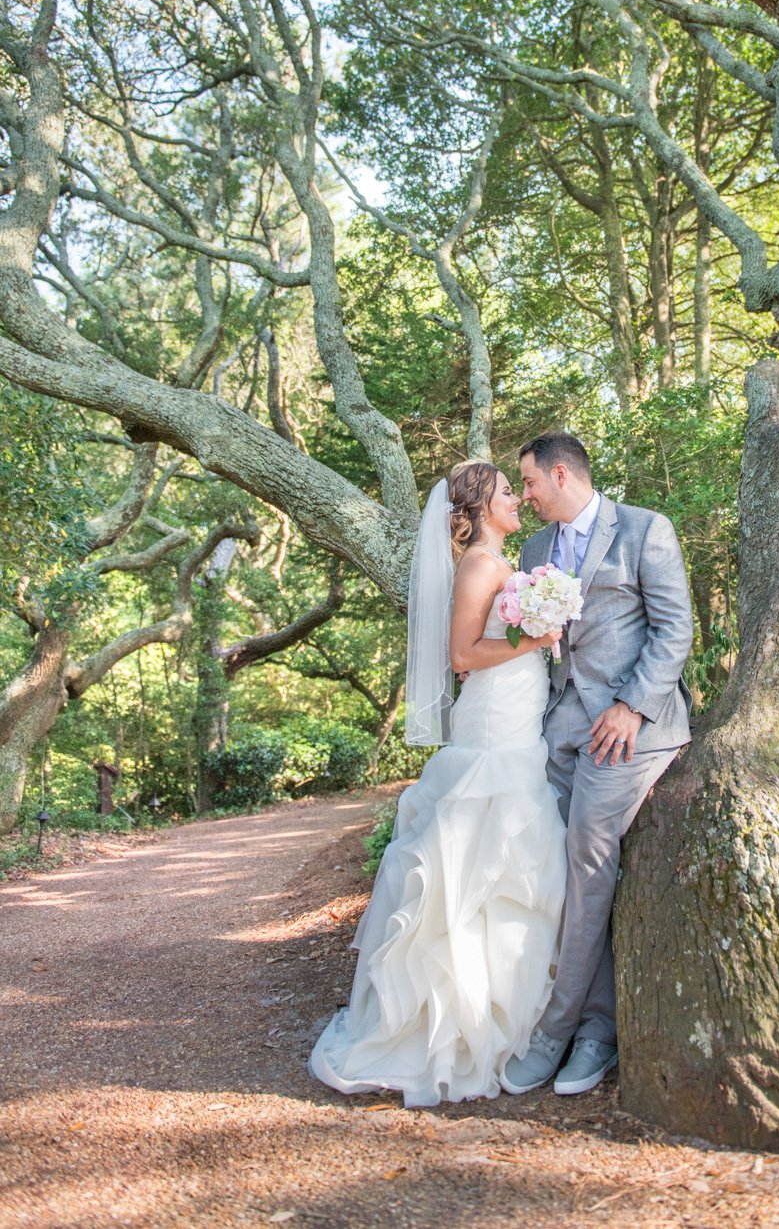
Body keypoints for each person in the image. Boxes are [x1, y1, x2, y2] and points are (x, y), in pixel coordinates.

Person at [309, 461, 567, 1107]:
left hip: (517, 722)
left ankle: (502, 1019)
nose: (517, 499)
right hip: (493, 729)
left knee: (508, 862)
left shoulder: (499, 561)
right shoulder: (481, 564)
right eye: (508, 491)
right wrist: (531, 641)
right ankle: (455, 1033)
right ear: (480, 509)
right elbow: (461, 657)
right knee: (478, 867)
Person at [501, 432, 693, 1097]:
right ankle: (595, 1025)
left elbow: (675, 631)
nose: (523, 497)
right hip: (558, 730)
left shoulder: (644, 530)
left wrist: (634, 708)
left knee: (587, 851)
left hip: (631, 731)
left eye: (528, 483)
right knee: (545, 862)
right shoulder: (533, 551)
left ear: (560, 474)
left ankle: (565, 1034)